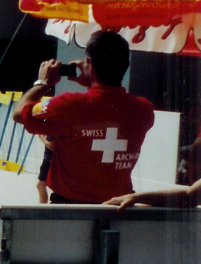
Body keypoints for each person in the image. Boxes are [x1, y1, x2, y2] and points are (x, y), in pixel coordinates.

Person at [13, 31, 155, 204]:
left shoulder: (69, 105)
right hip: (119, 207)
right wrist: (92, 83)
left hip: (71, 209)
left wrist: (43, 83)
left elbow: (19, 114)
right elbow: (107, 106)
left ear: (90, 64)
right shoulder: (144, 109)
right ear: (126, 65)